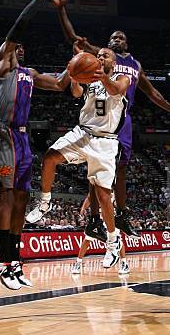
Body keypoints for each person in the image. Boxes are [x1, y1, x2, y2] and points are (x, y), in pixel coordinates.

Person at [27, 0, 170, 241]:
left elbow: (152, 92)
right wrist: (62, 9)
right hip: (101, 118)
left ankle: (119, 215)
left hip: (122, 116)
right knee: (101, 168)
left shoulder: (134, 65)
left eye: (120, 37)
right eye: (113, 37)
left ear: (127, 43)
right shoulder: (100, 58)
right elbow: (73, 38)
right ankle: (95, 219)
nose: (116, 39)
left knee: (119, 169)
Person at [0, 0, 72, 291]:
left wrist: (80, 59)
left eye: (21, 48)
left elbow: (62, 83)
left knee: (22, 197)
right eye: (14, 46)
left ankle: (14, 260)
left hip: (23, 138)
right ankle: (1, 260)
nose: (18, 48)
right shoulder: (2, 66)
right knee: (6, 195)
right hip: (4, 136)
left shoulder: (30, 73)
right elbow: (16, 29)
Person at [37, 47, 130, 269]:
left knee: (104, 196)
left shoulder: (121, 77)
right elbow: (77, 93)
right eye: (98, 56)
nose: (100, 58)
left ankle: (112, 240)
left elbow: (117, 90)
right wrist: (75, 76)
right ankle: (44, 203)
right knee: (49, 157)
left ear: (113, 63)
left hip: (106, 142)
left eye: (105, 56)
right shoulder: (91, 81)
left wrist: (102, 76)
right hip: (83, 133)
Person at [71, 195, 130, 275]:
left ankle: (124, 263)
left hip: (110, 218)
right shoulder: (96, 187)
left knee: (117, 239)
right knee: (88, 238)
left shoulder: (111, 190)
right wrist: (83, 208)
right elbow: (89, 197)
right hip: (98, 218)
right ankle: (78, 263)